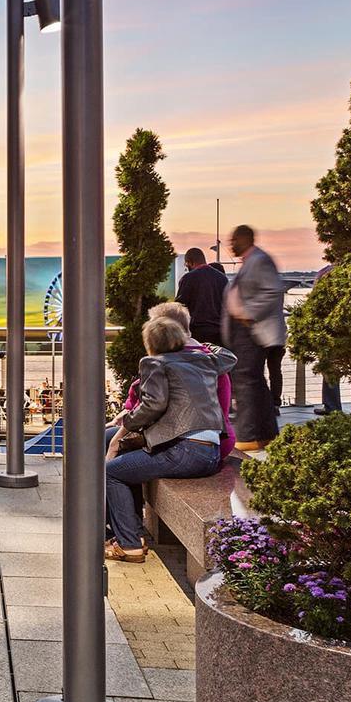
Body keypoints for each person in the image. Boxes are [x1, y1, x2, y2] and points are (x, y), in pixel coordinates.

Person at [104, 317, 236, 562]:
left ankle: (130, 544)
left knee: (111, 472)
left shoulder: (154, 363)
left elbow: (153, 405)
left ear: (150, 344)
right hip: (210, 452)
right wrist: (207, 345)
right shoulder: (204, 359)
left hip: (184, 451)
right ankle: (129, 533)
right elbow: (229, 356)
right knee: (124, 465)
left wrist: (126, 425)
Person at [221, 225, 285, 451]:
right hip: (244, 333)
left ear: (245, 239)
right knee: (254, 382)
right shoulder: (249, 263)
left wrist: (248, 314)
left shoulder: (259, 260)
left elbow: (273, 290)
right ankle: (266, 434)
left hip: (253, 332)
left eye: (234, 239)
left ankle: (248, 435)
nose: (231, 243)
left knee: (247, 382)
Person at [175, 246, 228, 345]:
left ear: (189, 262)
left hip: (197, 333)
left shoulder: (188, 278)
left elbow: (180, 307)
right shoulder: (222, 279)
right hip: (220, 333)